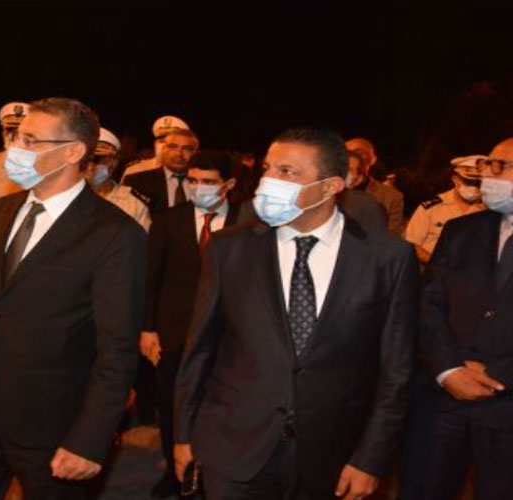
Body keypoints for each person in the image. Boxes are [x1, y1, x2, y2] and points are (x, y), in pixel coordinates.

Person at [174, 128, 417, 500]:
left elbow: (395, 371)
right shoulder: (229, 248)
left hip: (333, 454)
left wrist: (372, 459)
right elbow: (200, 347)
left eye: (287, 172)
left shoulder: (388, 258)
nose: (269, 181)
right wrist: (184, 435)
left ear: (331, 186)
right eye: (268, 168)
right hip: (233, 446)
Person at [0, 98, 146, 499]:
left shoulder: (116, 234)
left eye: (31, 140)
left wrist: (91, 438)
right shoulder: (6, 208)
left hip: (51, 423)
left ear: (72, 152)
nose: (15, 149)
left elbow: (117, 349)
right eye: (16, 138)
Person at [141, 150, 242, 498]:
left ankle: (214, 474)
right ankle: (175, 473)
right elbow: (151, 279)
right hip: (174, 334)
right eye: (193, 180)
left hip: (229, 336)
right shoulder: (168, 221)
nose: (198, 187)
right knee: (172, 406)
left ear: (229, 184)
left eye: (209, 181)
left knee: (220, 408)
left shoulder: (247, 221)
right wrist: (147, 328)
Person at [416, 138, 513, 500]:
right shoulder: (461, 230)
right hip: (443, 401)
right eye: (488, 164)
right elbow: (428, 305)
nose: (488, 174)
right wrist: (449, 368)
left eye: (501, 166)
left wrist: (498, 376)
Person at [238, 150, 388, 234]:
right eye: (266, 168)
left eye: (286, 170)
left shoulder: (365, 207)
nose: (270, 177)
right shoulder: (251, 210)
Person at [405, 155, 487, 265]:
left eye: (479, 183)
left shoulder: (486, 210)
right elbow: (412, 244)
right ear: (455, 179)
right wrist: (437, 264)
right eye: (468, 181)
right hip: (433, 270)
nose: (474, 187)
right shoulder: (431, 208)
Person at [83, 127, 151, 230]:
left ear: (113, 163)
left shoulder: (133, 203)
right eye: (84, 160)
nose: (89, 166)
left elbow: (140, 238)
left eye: (97, 160)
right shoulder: (62, 195)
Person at [123, 127, 199, 213]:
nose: (179, 153)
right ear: (163, 150)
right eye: (173, 147)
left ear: (196, 153)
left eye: (186, 148)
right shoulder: (137, 182)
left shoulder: (205, 183)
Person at [346, 137, 405, 235]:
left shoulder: (392, 197)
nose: (354, 158)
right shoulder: (329, 190)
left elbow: (392, 236)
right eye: (347, 153)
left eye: (359, 153)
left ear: (373, 159)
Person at [120, 115, 192, 180]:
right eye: (162, 141)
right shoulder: (135, 170)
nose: (165, 146)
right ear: (155, 144)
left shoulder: (191, 174)